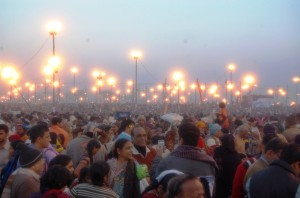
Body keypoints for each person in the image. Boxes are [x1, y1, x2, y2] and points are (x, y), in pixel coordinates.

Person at [155, 123, 217, 197]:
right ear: (198, 140)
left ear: (181, 140)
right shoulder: (210, 163)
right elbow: (212, 190)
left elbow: (156, 182)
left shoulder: (167, 162)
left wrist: (158, 157)